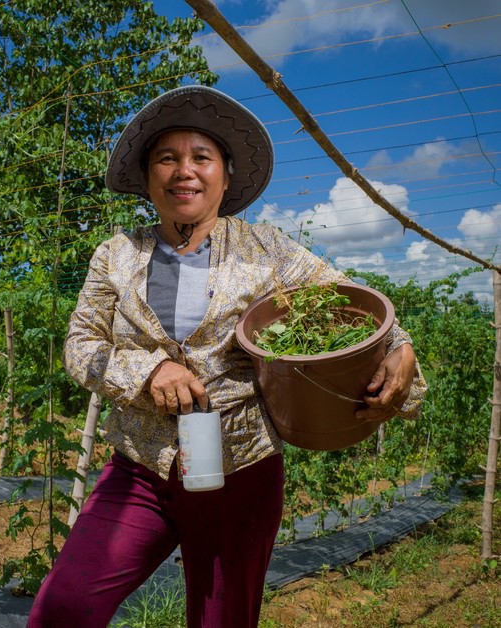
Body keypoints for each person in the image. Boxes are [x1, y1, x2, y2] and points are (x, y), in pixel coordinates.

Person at [27, 85, 426, 627]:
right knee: (64, 607)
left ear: (226, 176)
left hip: (242, 471)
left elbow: (350, 303)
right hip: (141, 470)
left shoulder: (267, 250)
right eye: (167, 158)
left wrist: (399, 347)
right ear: (148, 177)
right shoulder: (117, 255)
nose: (183, 171)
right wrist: (148, 370)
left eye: (201, 157)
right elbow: (82, 346)